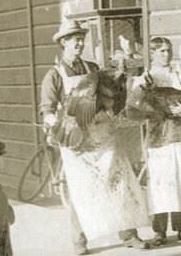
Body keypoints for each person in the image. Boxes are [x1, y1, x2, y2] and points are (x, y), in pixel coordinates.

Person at [39, 18, 149, 254]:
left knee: (119, 181)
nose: (80, 43)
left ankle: (129, 233)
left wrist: (120, 78)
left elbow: (110, 94)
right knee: (81, 188)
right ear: (64, 43)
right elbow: (47, 109)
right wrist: (56, 127)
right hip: (78, 141)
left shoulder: (92, 69)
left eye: (82, 39)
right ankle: (79, 241)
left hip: (103, 134)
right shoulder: (54, 75)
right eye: (75, 40)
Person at [127, 37, 181, 247]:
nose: (166, 54)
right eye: (161, 51)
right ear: (152, 54)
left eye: (168, 50)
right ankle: (159, 231)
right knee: (161, 184)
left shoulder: (180, 76)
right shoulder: (145, 79)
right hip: (158, 137)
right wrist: (158, 110)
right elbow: (134, 110)